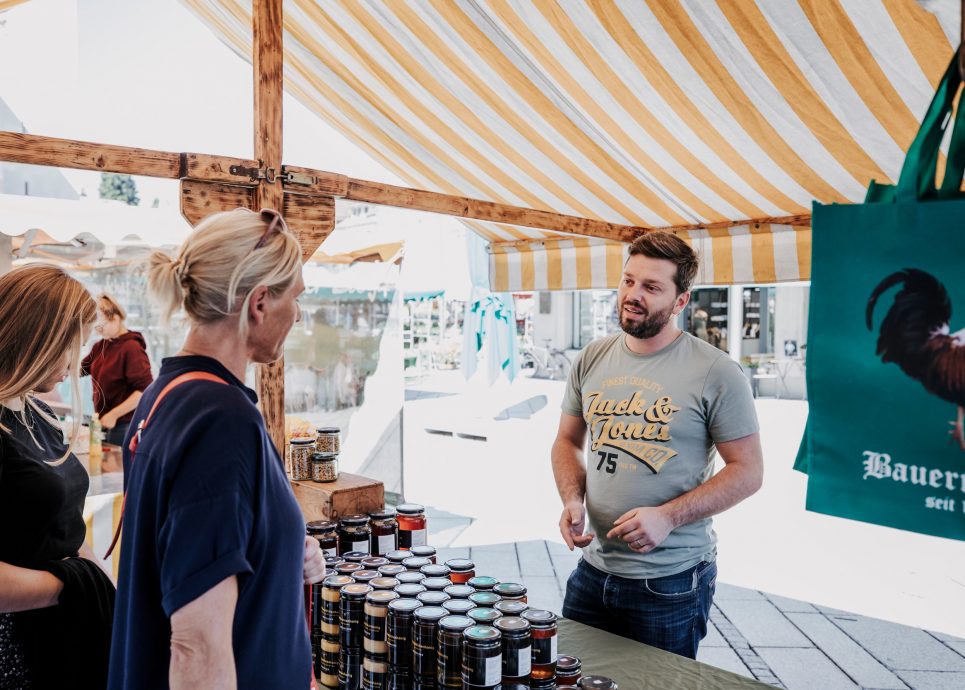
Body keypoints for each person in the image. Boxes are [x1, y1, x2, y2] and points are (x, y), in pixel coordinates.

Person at [108, 208, 326, 689]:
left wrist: (283, 550)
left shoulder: (164, 398)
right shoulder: (220, 420)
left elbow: (190, 548)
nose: (299, 313)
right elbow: (195, 650)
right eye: (296, 297)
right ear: (261, 303)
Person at [552, 231, 763, 659]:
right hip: (592, 573)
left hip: (669, 583)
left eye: (651, 287)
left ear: (680, 302)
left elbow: (749, 471)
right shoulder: (592, 357)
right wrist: (572, 499)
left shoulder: (716, 372)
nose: (633, 295)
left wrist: (667, 517)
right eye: (628, 281)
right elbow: (567, 441)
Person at [0, 264, 116, 689]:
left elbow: (62, 525)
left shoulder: (38, 413)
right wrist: (74, 584)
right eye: (74, 345)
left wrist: (101, 577)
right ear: (39, 338)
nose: (80, 360)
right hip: (15, 650)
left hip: (59, 634)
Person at [81, 293, 154, 446]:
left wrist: (114, 415)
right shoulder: (101, 345)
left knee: (119, 467)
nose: (98, 331)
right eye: (96, 327)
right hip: (103, 421)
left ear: (115, 318)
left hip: (124, 425)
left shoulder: (132, 348)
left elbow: (144, 390)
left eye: (101, 326)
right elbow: (81, 369)